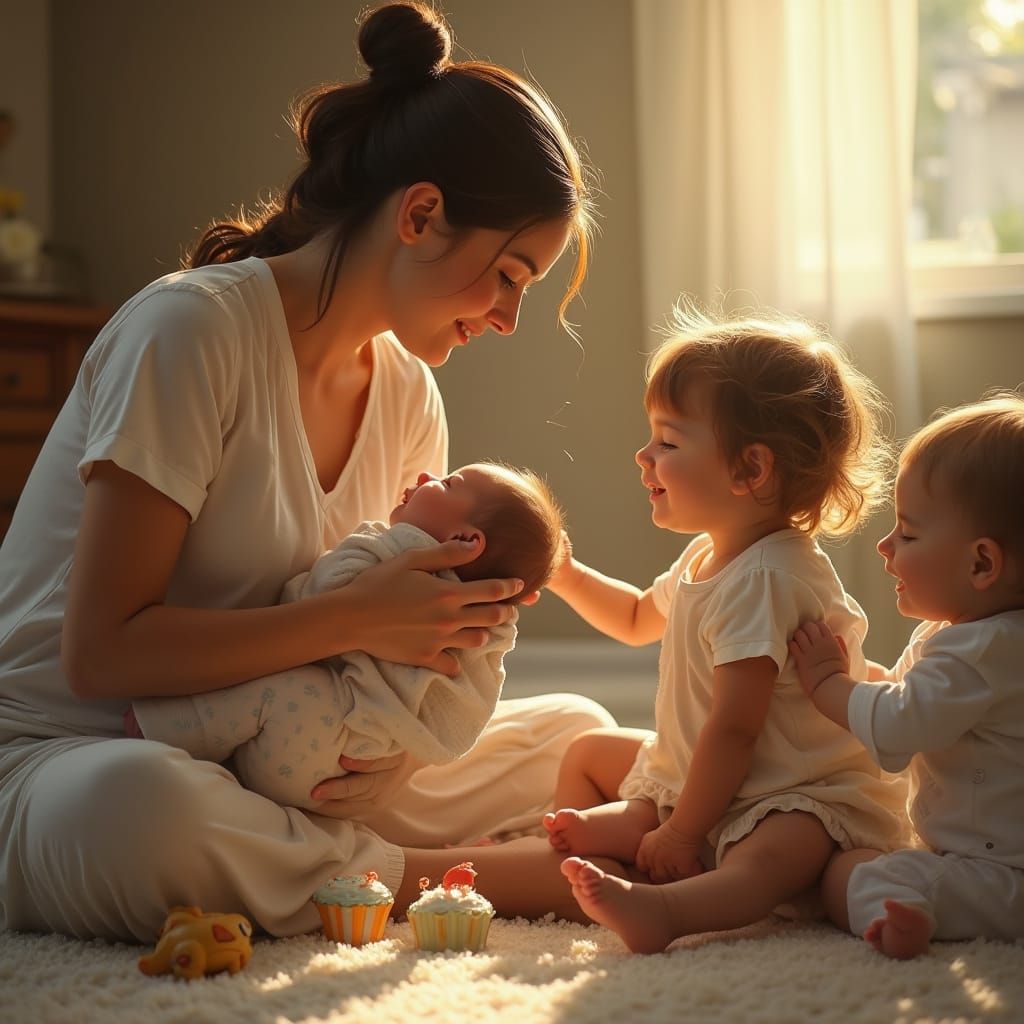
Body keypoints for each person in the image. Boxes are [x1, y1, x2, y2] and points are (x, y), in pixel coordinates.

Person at [0, 1, 617, 943]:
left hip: (278, 758)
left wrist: (395, 757)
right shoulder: (191, 332)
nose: (506, 319)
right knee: (137, 812)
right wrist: (354, 618)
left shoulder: (409, 394)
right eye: (509, 275)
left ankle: (335, 854)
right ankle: (420, 880)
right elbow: (101, 655)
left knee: (575, 729)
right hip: (76, 754)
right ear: (420, 214)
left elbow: (390, 664)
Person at [540, 306, 910, 953]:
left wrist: (684, 831)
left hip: (791, 790)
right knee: (590, 751)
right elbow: (633, 619)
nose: (643, 455)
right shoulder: (711, 552)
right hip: (710, 776)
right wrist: (567, 575)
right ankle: (613, 857)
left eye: (669, 442)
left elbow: (737, 727)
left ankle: (671, 908)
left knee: (771, 858)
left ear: (750, 470)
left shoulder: (767, 576)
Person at [128, 462, 563, 810]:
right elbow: (469, 706)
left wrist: (403, 760)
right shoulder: (464, 606)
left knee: (287, 690)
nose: (429, 475)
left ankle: (158, 730)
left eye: (449, 483)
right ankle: (315, 848)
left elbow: (320, 588)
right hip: (342, 754)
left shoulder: (402, 556)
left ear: (466, 541)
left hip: (332, 752)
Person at [789, 394, 1024, 960]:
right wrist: (855, 675)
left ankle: (911, 914)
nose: (885, 546)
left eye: (909, 534)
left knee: (847, 874)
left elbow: (898, 722)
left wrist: (827, 686)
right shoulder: (981, 639)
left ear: (981, 564)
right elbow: (909, 695)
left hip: (998, 876)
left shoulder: (980, 649)